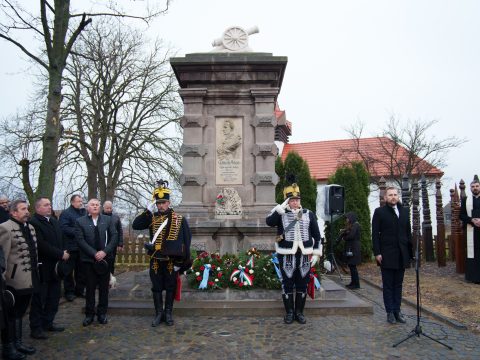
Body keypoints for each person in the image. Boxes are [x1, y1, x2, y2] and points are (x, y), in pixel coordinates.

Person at [132, 180, 192, 327]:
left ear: (169, 203)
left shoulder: (179, 219)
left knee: (170, 286)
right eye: (158, 203)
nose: (161, 205)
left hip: (171, 260)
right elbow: (136, 225)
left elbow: (186, 240)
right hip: (156, 259)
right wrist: (147, 211)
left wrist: (181, 263)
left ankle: (168, 313)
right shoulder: (151, 217)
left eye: (164, 202)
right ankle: (159, 313)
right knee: (156, 287)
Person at [266, 177, 322, 324]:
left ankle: (299, 313)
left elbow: (317, 235)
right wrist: (279, 209)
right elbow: (269, 222)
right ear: (287, 201)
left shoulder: (309, 214)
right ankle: (290, 312)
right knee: (287, 284)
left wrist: (316, 253)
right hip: (286, 254)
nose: (295, 202)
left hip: (304, 255)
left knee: (302, 283)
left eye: (297, 199)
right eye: (292, 200)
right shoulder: (280, 214)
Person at [0, 199, 38, 359]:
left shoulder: (29, 227)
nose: (27, 211)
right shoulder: (5, 228)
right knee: (10, 314)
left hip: (29, 279)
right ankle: (8, 347)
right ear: (13, 212)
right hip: (12, 281)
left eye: (27, 209)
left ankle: (18, 343)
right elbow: (3, 257)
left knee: (20, 312)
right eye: (23, 209)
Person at [372, 186, 413, 324]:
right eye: (390, 195)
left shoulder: (405, 211)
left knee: (398, 284)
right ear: (385, 198)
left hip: (402, 254)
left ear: (398, 196)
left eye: (395, 194)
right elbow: (375, 235)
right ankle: (389, 312)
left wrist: (411, 254)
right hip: (387, 254)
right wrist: (377, 252)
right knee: (388, 284)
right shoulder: (379, 212)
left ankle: (397, 310)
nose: (393, 197)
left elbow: (408, 233)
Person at [29, 197, 69, 340]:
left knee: (54, 296)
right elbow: (41, 244)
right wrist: (60, 254)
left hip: (56, 267)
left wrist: (65, 251)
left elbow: (61, 238)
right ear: (38, 208)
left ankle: (48, 322)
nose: (49, 207)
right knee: (40, 298)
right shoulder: (33, 223)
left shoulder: (53, 221)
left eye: (50, 205)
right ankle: (36, 327)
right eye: (46, 205)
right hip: (43, 267)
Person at [75, 198, 118, 326]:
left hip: (105, 260)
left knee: (104, 288)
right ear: (87, 207)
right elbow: (80, 240)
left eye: (97, 205)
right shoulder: (80, 221)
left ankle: (102, 313)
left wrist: (104, 252)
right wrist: (94, 253)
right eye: (92, 205)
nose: (95, 207)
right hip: (89, 260)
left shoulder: (108, 220)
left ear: (100, 207)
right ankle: (89, 314)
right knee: (90, 288)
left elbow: (114, 236)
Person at [59, 194, 86, 301]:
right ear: (72, 202)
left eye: (81, 201)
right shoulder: (66, 214)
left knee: (81, 271)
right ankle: (69, 292)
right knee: (68, 271)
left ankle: (79, 290)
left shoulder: (83, 213)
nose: (81, 203)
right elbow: (64, 228)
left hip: (81, 247)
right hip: (70, 246)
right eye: (78, 201)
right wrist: (78, 232)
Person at [460, 175, 480, 284]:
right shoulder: (465, 200)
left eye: (477, 186)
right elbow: (461, 215)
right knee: (473, 254)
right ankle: (473, 277)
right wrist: (472, 220)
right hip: (471, 231)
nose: (475, 188)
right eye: (473, 186)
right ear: (470, 188)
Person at [102, 201, 123, 275]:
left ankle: (111, 277)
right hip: (102, 243)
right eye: (107, 208)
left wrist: (120, 244)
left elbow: (120, 231)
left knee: (111, 261)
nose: (109, 210)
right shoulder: (99, 216)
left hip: (113, 243)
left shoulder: (116, 218)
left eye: (110, 208)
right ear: (103, 207)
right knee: (101, 261)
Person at [341, 212, 362, 289]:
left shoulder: (356, 225)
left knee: (353, 266)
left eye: (347, 218)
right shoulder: (353, 225)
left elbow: (351, 235)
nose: (346, 219)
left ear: (351, 218)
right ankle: (353, 282)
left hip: (354, 248)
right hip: (352, 247)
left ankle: (356, 284)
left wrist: (344, 237)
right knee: (351, 265)